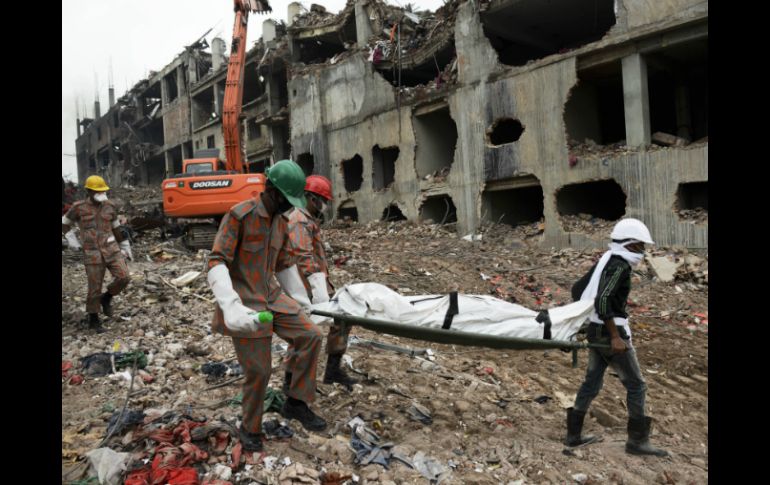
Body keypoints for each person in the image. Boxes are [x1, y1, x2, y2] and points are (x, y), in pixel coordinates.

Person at [206, 159, 327, 453]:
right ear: (271, 191)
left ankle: (296, 402)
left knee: (310, 335)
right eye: (287, 200)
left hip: (272, 295)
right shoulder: (240, 216)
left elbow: (285, 264)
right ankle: (250, 428)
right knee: (259, 370)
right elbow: (216, 260)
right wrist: (230, 304)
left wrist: (303, 301)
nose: (290, 207)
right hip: (245, 302)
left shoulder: (281, 222)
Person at [565, 218, 668, 457]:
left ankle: (573, 435)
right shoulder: (619, 266)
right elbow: (602, 300)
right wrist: (614, 336)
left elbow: (577, 290)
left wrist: (587, 319)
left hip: (596, 329)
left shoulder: (606, 260)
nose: (643, 252)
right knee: (636, 385)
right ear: (631, 245)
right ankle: (637, 442)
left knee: (592, 382)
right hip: (609, 332)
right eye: (641, 246)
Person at [277, 175, 358, 391]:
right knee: (302, 334)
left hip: (316, 284)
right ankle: (290, 381)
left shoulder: (309, 220)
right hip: (305, 289)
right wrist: (317, 290)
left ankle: (332, 370)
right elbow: (303, 257)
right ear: (312, 199)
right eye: (322, 201)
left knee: (341, 321)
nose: (324, 206)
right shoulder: (300, 221)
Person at [61, 175, 132, 333]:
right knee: (94, 288)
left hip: (112, 250)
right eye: (96, 191)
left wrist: (124, 245)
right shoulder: (78, 207)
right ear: (88, 191)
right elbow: (64, 223)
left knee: (124, 277)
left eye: (102, 191)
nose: (100, 194)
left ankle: (107, 297)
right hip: (92, 253)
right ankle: (94, 319)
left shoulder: (109, 207)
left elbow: (115, 228)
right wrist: (70, 238)